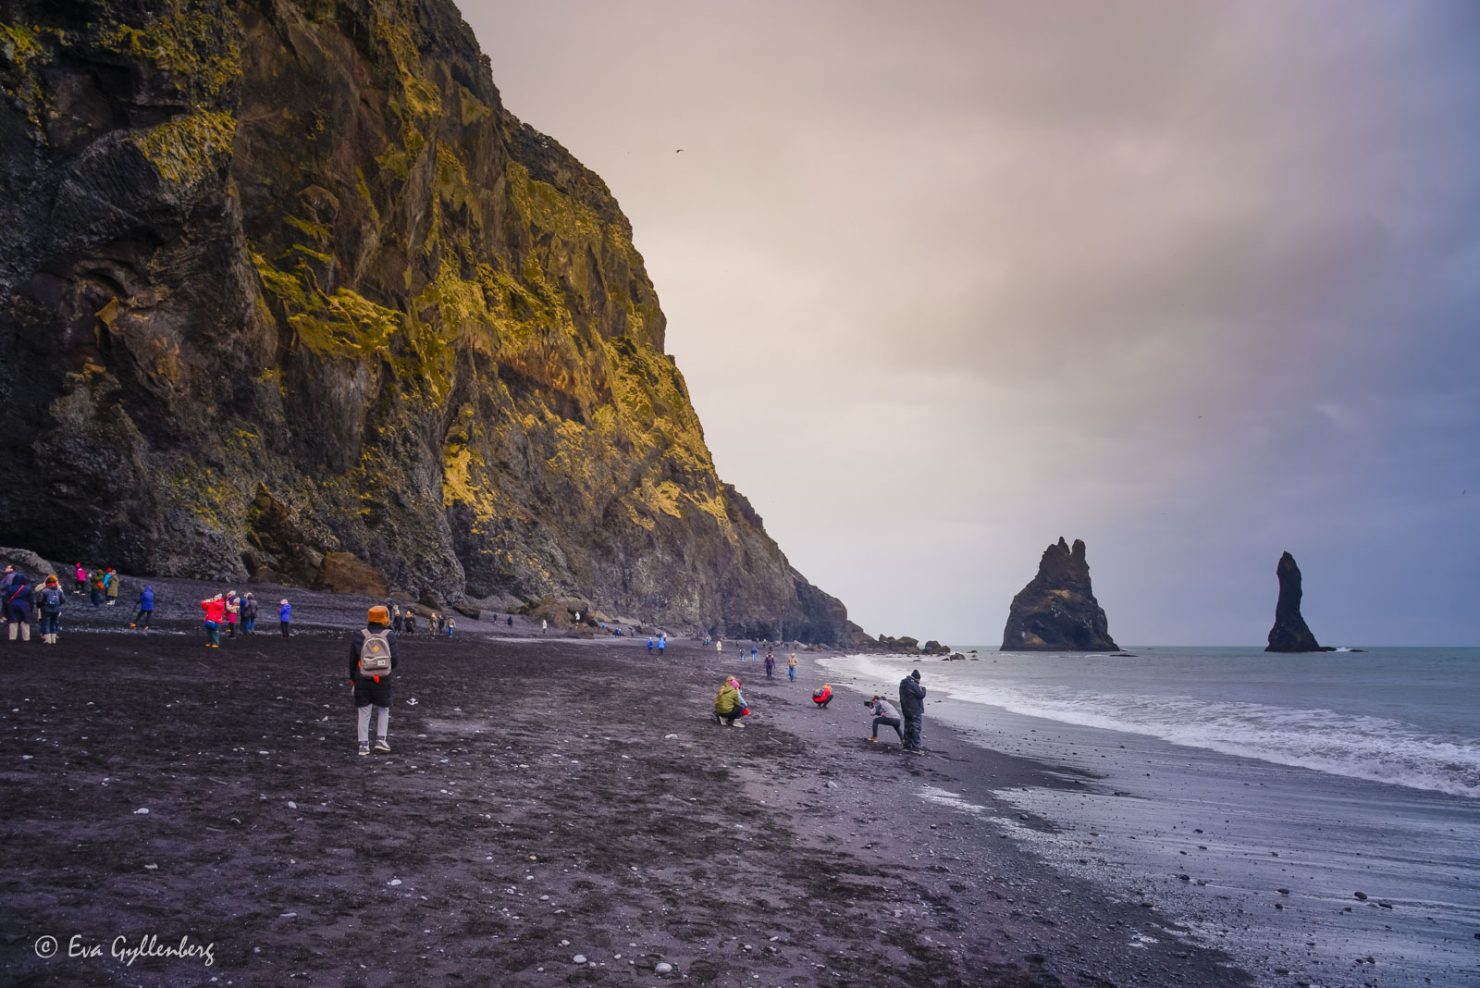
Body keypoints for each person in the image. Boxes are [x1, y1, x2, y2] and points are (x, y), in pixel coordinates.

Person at [349, 605, 398, 756]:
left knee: (364, 711)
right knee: (384, 709)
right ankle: (381, 740)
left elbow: (352, 661)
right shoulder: (389, 635)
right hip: (383, 679)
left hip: (363, 678)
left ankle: (363, 745)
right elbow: (395, 660)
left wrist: (353, 680)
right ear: (385, 618)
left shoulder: (359, 635)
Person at [899, 669, 927, 753]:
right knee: (916, 728)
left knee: (907, 728)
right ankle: (916, 747)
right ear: (917, 678)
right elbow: (921, 695)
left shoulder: (903, 683)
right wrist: (924, 689)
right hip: (914, 710)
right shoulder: (912, 684)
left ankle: (907, 745)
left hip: (906, 709)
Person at [5, 572, 33, 641]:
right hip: (24, 605)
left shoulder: (10, 588)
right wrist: (31, 608)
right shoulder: (27, 589)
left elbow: (6, 599)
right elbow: (31, 600)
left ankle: (12, 638)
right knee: (25, 621)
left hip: (12, 605)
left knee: (13, 621)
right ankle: (26, 638)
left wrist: (5, 609)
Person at [37, 575, 64, 645]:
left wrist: (40, 606)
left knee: (46, 623)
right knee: (54, 623)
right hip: (56, 610)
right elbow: (63, 600)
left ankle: (48, 640)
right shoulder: (59, 591)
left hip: (46, 610)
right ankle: (53, 640)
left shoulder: (45, 591)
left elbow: (40, 601)